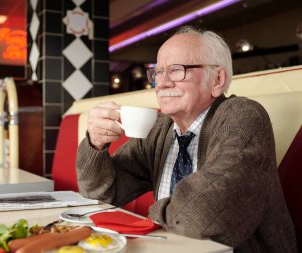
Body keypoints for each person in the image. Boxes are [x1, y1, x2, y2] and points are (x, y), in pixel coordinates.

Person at [76, 26, 297, 252]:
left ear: (217, 79)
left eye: (176, 70)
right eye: (158, 72)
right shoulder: (159, 128)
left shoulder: (244, 116)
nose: (161, 83)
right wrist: (95, 144)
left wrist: (152, 215)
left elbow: (204, 214)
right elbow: (100, 193)